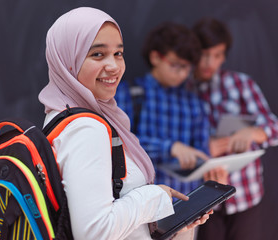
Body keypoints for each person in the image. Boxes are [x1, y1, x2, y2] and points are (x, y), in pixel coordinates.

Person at [38, 7, 211, 240]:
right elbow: (94, 233)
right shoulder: (86, 128)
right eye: (97, 54)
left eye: (118, 53)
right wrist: (154, 196)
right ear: (68, 60)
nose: (114, 66)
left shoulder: (60, 115)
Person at [188, 17, 278, 240]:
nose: (209, 62)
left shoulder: (241, 84)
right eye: (204, 54)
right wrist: (201, 149)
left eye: (217, 55)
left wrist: (254, 132)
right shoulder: (180, 89)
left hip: (246, 194)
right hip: (203, 200)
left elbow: (274, 127)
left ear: (224, 56)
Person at [117, 22, 211, 196]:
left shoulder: (193, 102)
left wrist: (206, 165)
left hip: (185, 202)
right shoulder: (128, 94)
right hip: (139, 204)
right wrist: (169, 148)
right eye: (175, 65)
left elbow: (202, 151)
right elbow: (118, 144)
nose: (182, 74)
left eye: (187, 67)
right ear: (155, 58)